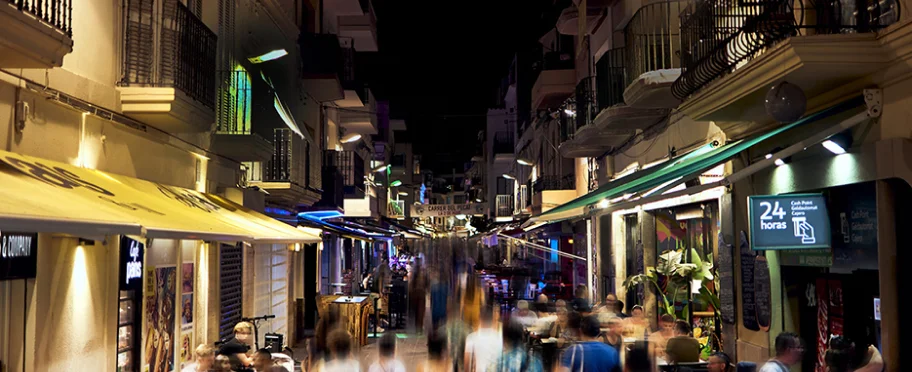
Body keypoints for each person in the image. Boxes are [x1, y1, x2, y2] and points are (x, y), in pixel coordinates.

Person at [464, 306, 503, 372]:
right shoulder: (499, 337)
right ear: (492, 319)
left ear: (479, 318)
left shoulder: (471, 338)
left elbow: (467, 362)